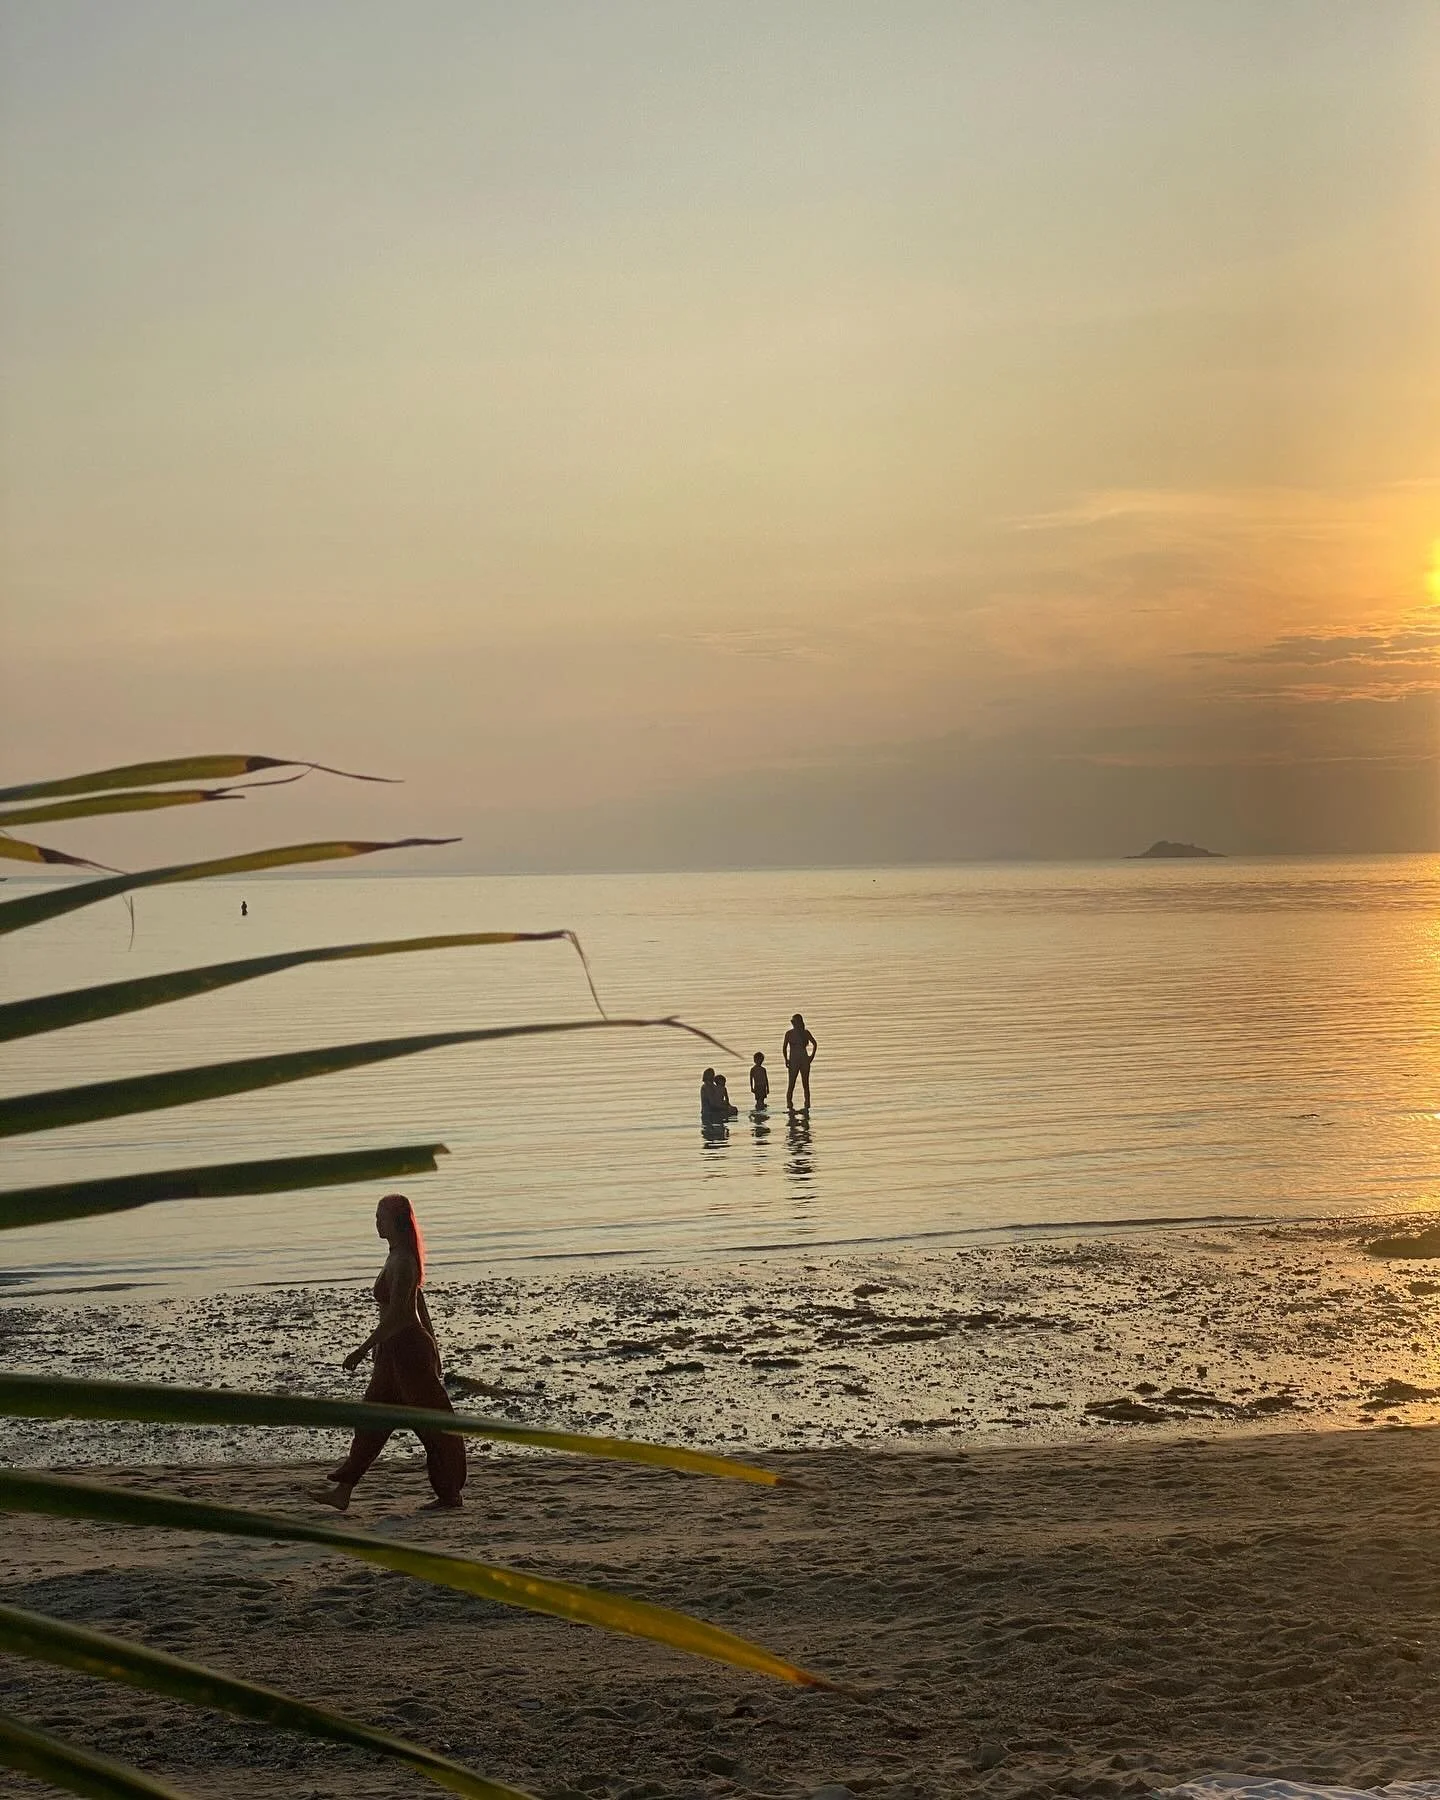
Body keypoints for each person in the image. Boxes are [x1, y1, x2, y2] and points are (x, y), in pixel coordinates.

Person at [309, 1193, 466, 1512]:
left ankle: (450, 1493)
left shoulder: (405, 1260)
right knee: (371, 1421)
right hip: (392, 1353)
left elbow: (400, 1316)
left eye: (380, 1216)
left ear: (396, 1221)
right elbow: (417, 1301)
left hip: (408, 1351)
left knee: (432, 1425)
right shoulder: (396, 1255)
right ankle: (343, 1491)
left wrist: (361, 1349)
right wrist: (417, 1344)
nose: (376, 1222)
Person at [783, 1012, 817, 1109]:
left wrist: (811, 1057)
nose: (793, 1023)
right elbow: (784, 1048)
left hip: (804, 1060)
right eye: (792, 1022)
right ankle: (789, 1105)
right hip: (793, 1061)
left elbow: (815, 1043)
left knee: (805, 1084)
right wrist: (786, 1059)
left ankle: (807, 1105)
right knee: (791, 1084)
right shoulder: (789, 1034)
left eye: (794, 1022)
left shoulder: (805, 1033)